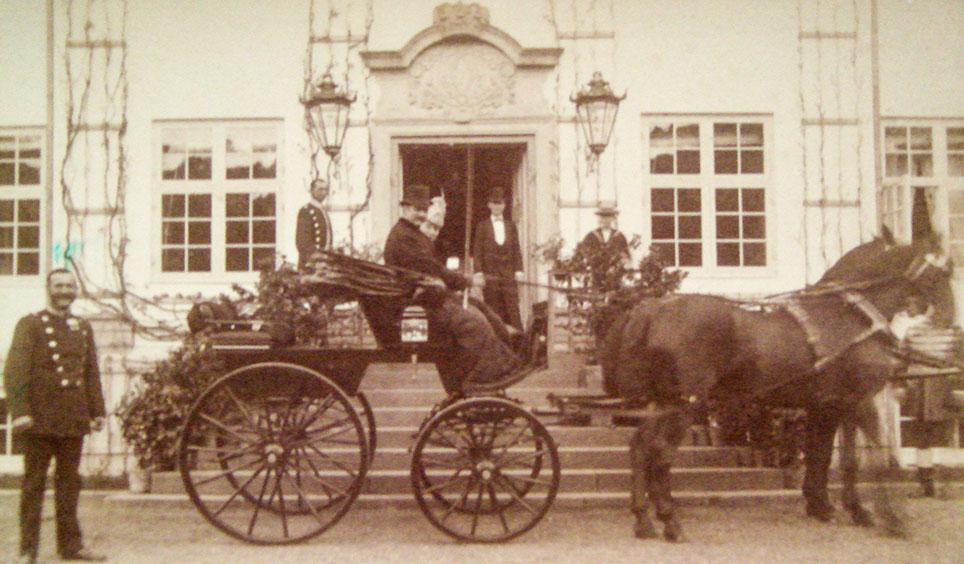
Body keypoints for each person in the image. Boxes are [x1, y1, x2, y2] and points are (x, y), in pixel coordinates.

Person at [4, 269, 107, 563]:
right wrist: (21, 411)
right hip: (39, 419)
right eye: (59, 285)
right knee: (34, 485)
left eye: (70, 286)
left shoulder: (83, 327)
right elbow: (15, 371)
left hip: (72, 418)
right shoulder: (31, 324)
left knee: (69, 484)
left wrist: (96, 410)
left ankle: (71, 546)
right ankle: (28, 550)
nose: (64, 290)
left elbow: (91, 371)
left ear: (76, 290)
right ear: (48, 289)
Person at [379, 184, 520, 393]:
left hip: (428, 297)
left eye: (423, 210)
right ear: (405, 208)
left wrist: (461, 282)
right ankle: (476, 378)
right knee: (474, 323)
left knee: (481, 308)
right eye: (416, 209)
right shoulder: (403, 237)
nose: (420, 214)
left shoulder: (413, 234)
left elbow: (433, 269)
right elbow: (432, 268)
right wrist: (466, 281)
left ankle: (506, 360)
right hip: (418, 305)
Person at [472, 187, 524, 330]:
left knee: (513, 312)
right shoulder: (482, 226)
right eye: (494, 203)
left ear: (504, 205)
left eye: (499, 203)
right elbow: (477, 252)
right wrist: (478, 272)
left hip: (509, 277)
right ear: (489, 205)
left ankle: (518, 348)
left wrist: (519, 270)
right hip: (491, 277)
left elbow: (516, 249)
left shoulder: (511, 226)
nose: (497, 206)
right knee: (493, 313)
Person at [575, 205, 631, 291]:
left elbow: (626, 255)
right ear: (599, 219)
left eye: (608, 217)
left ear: (613, 218)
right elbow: (583, 253)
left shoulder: (619, 236)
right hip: (596, 275)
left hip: (615, 275)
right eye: (603, 217)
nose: (606, 220)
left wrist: (621, 262)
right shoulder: (591, 236)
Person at [295, 178, 333, 270]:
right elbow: (302, 242)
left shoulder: (322, 211)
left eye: (325, 189)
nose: (324, 193)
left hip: (324, 263)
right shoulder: (306, 211)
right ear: (312, 191)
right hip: (311, 264)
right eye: (320, 189)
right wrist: (316, 259)